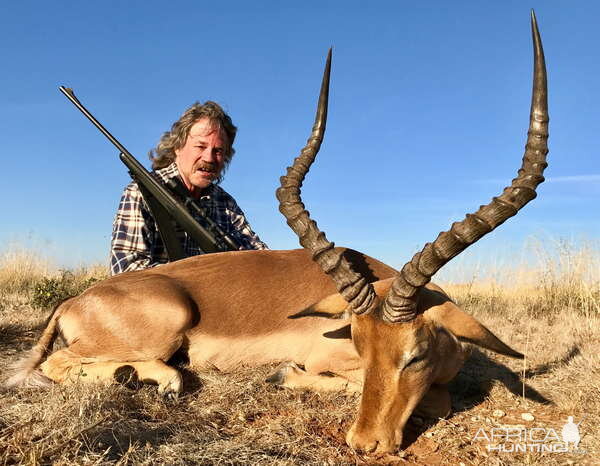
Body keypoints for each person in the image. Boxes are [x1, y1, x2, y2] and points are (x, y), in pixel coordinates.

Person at [110, 101, 267, 275]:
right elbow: (126, 272)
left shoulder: (225, 203)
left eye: (218, 151)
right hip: (160, 300)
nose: (209, 158)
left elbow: (260, 256)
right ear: (178, 146)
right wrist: (201, 278)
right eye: (200, 146)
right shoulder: (141, 192)